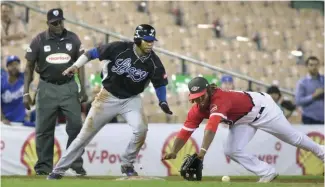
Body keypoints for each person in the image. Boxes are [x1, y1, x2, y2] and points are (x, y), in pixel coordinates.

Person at [47, 24, 173, 180]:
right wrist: (75, 65)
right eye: (146, 40)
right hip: (107, 97)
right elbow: (91, 53)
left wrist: (162, 101)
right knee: (84, 136)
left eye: (152, 40)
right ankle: (58, 170)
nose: (150, 43)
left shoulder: (154, 62)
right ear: (137, 39)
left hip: (131, 99)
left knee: (141, 129)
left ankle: (127, 164)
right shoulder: (119, 48)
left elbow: (160, 84)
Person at [162, 77, 324, 183]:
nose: (199, 100)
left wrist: (202, 152)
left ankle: (323, 154)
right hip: (242, 120)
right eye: (195, 98)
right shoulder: (196, 110)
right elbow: (185, 132)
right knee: (231, 149)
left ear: (209, 91)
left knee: (294, 138)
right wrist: (175, 151)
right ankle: (267, 172)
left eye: (202, 96)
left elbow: (211, 128)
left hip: (264, 110)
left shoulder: (220, 98)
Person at [23, 8, 88, 175]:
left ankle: (74, 164)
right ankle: (44, 167)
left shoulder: (73, 38)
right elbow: (29, 67)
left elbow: (81, 63)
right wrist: (25, 93)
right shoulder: (39, 40)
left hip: (68, 86)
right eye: (54, 23)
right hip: (46, 87)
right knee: (44, 129)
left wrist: (82, 88)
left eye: (60, 22)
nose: (58, 25)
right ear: (48, 24)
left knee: (76, 126)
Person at [295, 56, 324, 125]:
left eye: (316, 65)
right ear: (307, 66)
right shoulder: (302, 82)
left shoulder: (324, 80)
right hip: (309, 118)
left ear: (319, 66)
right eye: (311, 65)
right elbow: (298, 101)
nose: (314, 67)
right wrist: (313, 96)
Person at [1, 55, 25, 125]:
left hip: (21, 121)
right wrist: (2, 118)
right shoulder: (1, 81)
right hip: (6, 122)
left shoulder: (23, 77)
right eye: (11, 64)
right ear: (7, 67)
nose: (14, 67)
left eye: (16, 64)